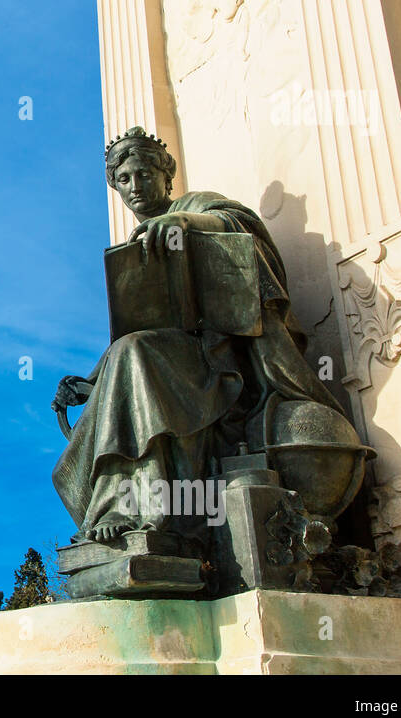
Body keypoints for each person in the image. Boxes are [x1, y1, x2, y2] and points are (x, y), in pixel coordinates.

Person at [52, 127, 357, 545]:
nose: (135, 187)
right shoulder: (135, 244)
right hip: (172, 359)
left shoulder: (192, 207)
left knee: (135, 353)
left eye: (144, 174)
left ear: (166, 176)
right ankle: (124, 503)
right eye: (124, 180)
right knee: (130, 355)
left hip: (225, 358)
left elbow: (241, 225)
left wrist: (184, 221)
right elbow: (140, 325)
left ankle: (135, 507)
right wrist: (89, 383)